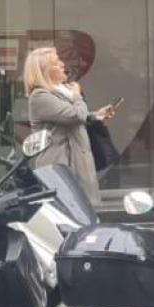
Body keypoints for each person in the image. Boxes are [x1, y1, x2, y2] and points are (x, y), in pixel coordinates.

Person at [24, 46, 116, 206]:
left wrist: (95, 116)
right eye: (55, 63)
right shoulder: (40, 96)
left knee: (86, 211)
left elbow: (74, 117)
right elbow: (75, 115)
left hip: (78, 162)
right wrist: (77, 96)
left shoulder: (62, 91)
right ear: (44, 71)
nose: (62, 64)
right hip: (62, 165)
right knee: (70, 213)